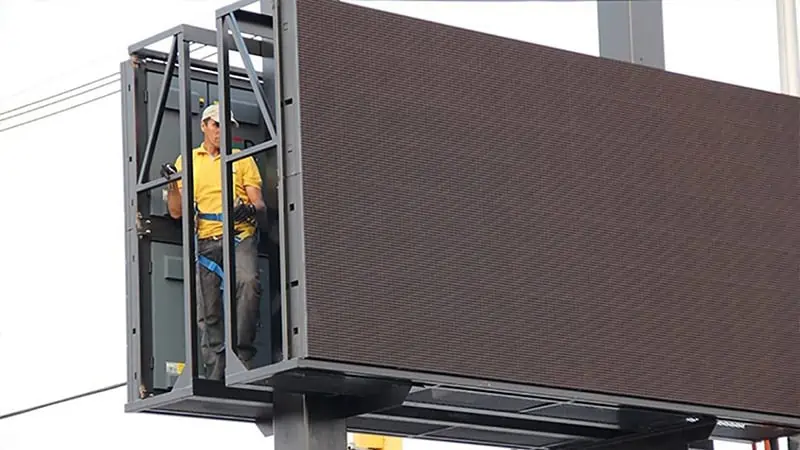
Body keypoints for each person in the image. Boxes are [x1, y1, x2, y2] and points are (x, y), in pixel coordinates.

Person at [163, 103, 267, 381]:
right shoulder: (189, 161)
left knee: (248, 282)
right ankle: (215, 368)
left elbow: (259, 203)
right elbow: (176, 211)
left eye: (226, 126)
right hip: (207, 238)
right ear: (205, 126)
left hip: (239, 234)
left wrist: (250, 210)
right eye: (216, 125)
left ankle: (242, 357)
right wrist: (173, 183)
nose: (221, 131)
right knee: (208, 308)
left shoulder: (241, 159)